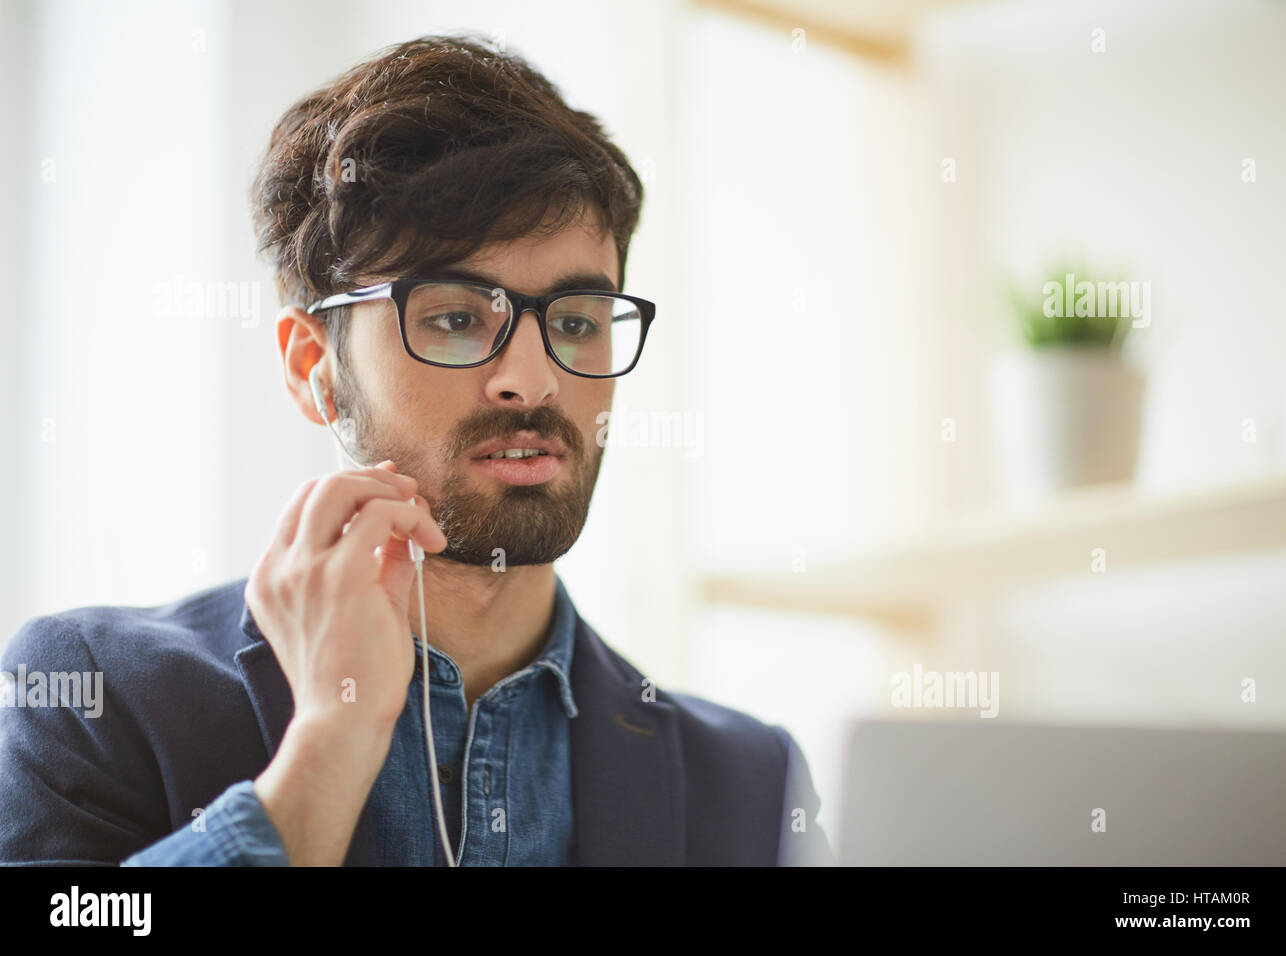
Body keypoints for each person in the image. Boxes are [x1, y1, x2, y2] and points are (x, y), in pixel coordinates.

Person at [0, 34, 833, 866]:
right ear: (314, 371)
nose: (533, 381)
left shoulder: (751, 783)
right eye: (458, 317)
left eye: (576, 321)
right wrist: (331, 741)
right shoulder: (91, 697)